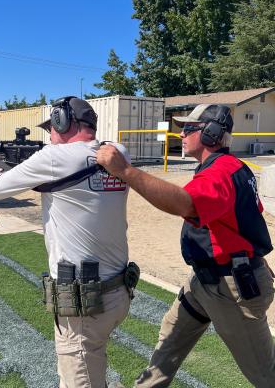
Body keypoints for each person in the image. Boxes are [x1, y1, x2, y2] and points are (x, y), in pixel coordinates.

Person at [97, 104, 275, 387]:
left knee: (266, 374)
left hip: (230, 287)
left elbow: (186, 204)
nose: (181, 134)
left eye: (188, 128)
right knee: (169, 340)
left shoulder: (221, 171)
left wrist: (126, 171)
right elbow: (246, 220)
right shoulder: (227, 167)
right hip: (207, 280)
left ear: (211, 133)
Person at [0, 96, 134, 388]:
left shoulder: (52, 158)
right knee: (88, 365)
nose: (49, 134)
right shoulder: (117, 152)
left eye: (52, 126)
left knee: (79, 378)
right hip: (118, 292)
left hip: (85, 303)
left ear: (63, 122)